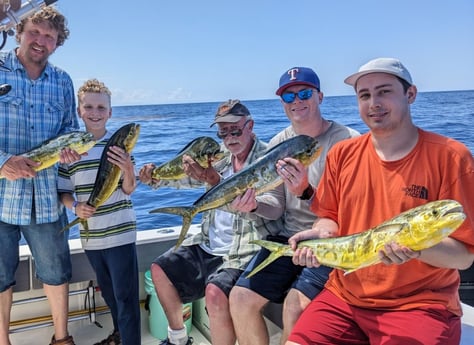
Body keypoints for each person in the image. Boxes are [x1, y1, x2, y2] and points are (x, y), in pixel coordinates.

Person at [285, 57, 474, 345]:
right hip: (344, 297)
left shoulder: (452, 156)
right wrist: (320, 234)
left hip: (419, 305)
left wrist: (415, 249)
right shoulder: (341, 154)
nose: (373, 102)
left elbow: (464, 256)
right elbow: (329, 218)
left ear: (410, 94)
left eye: (384, 91)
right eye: (365, 95)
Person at [228, 67, 360, 345]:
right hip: (289, 239)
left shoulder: (349, 141)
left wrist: (306, 192)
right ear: (282, 104)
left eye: (304, 93)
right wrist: (252, 207)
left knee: (295, 306)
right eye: (289, 97)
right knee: (239, 297)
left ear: (320, 97)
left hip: (332, 241)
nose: (297, 101)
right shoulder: (277, 144)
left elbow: (353, 211)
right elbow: (275, 207)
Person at [139, 99, 268, 345]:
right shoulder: (219, 156)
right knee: (159, 269)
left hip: (243, 250)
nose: (229, 137)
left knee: (214, 293)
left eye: (235, 129)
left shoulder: (265, 159)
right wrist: (153, 178)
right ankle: (178, 339)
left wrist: (215, 182)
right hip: (208, 244)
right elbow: (187, 178)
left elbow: (268, 206)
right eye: (223, 131)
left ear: (250, 125)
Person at [0, 6, 79, 345]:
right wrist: (2, 161)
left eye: (50, 36)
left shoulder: (63, 80)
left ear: (58, 43)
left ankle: (61, 339)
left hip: (45, 199)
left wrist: (72, 151)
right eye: (35, 31)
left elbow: (70, 131)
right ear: (19, 32)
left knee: (56, 273)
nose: (41, 40)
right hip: (0, 197)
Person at [58, 79, 140, 345]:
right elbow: (63, 192)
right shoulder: (69, 152)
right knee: (109, 295)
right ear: (80, 110)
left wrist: (127, 168)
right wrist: (75, 207)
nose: (95, 113)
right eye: (89, 107)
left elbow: (129, 189)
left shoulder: (120, 145)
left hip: (120, 235)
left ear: (110, 112)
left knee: (126, 298)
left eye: (101, 108)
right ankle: (120, 335)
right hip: (91, 238)